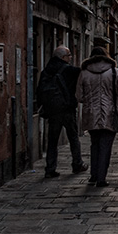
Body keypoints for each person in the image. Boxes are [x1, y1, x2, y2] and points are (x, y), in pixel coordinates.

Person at [75, 46, 118, 188]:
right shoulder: (114, 72)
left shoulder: (84, 73)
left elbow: (79, 96)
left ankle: (93, 175)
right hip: (110, 113)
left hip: (90, 114)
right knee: (105, 146)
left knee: (95, 144)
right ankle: (101, 178)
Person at [36, 46, 88, 178]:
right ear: (63, 57)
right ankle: (77, 164)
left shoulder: (46, 70)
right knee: (74, 137)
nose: (70, 57)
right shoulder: (69, 70)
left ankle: (50, 168)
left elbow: (40, 90)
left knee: (52, 140)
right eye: (69, 55)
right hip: (67, 109)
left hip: (53, 110)